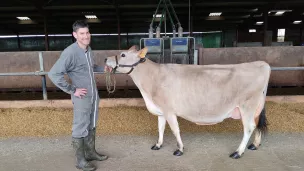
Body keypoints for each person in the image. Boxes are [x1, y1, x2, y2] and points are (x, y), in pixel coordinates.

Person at [48, 20, 108, 171]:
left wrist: (103, 68)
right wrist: (72, 90)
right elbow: (54, 74)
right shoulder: (70, 52)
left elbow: (91, 67)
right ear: (75, 35)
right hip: (81, 97)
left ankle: (91, 152)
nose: (86, 36)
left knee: (92, 124)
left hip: (93, 95)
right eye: (82, 33)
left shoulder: (88, 50)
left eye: (87, 33)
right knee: (80, 126)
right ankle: (80, 161)